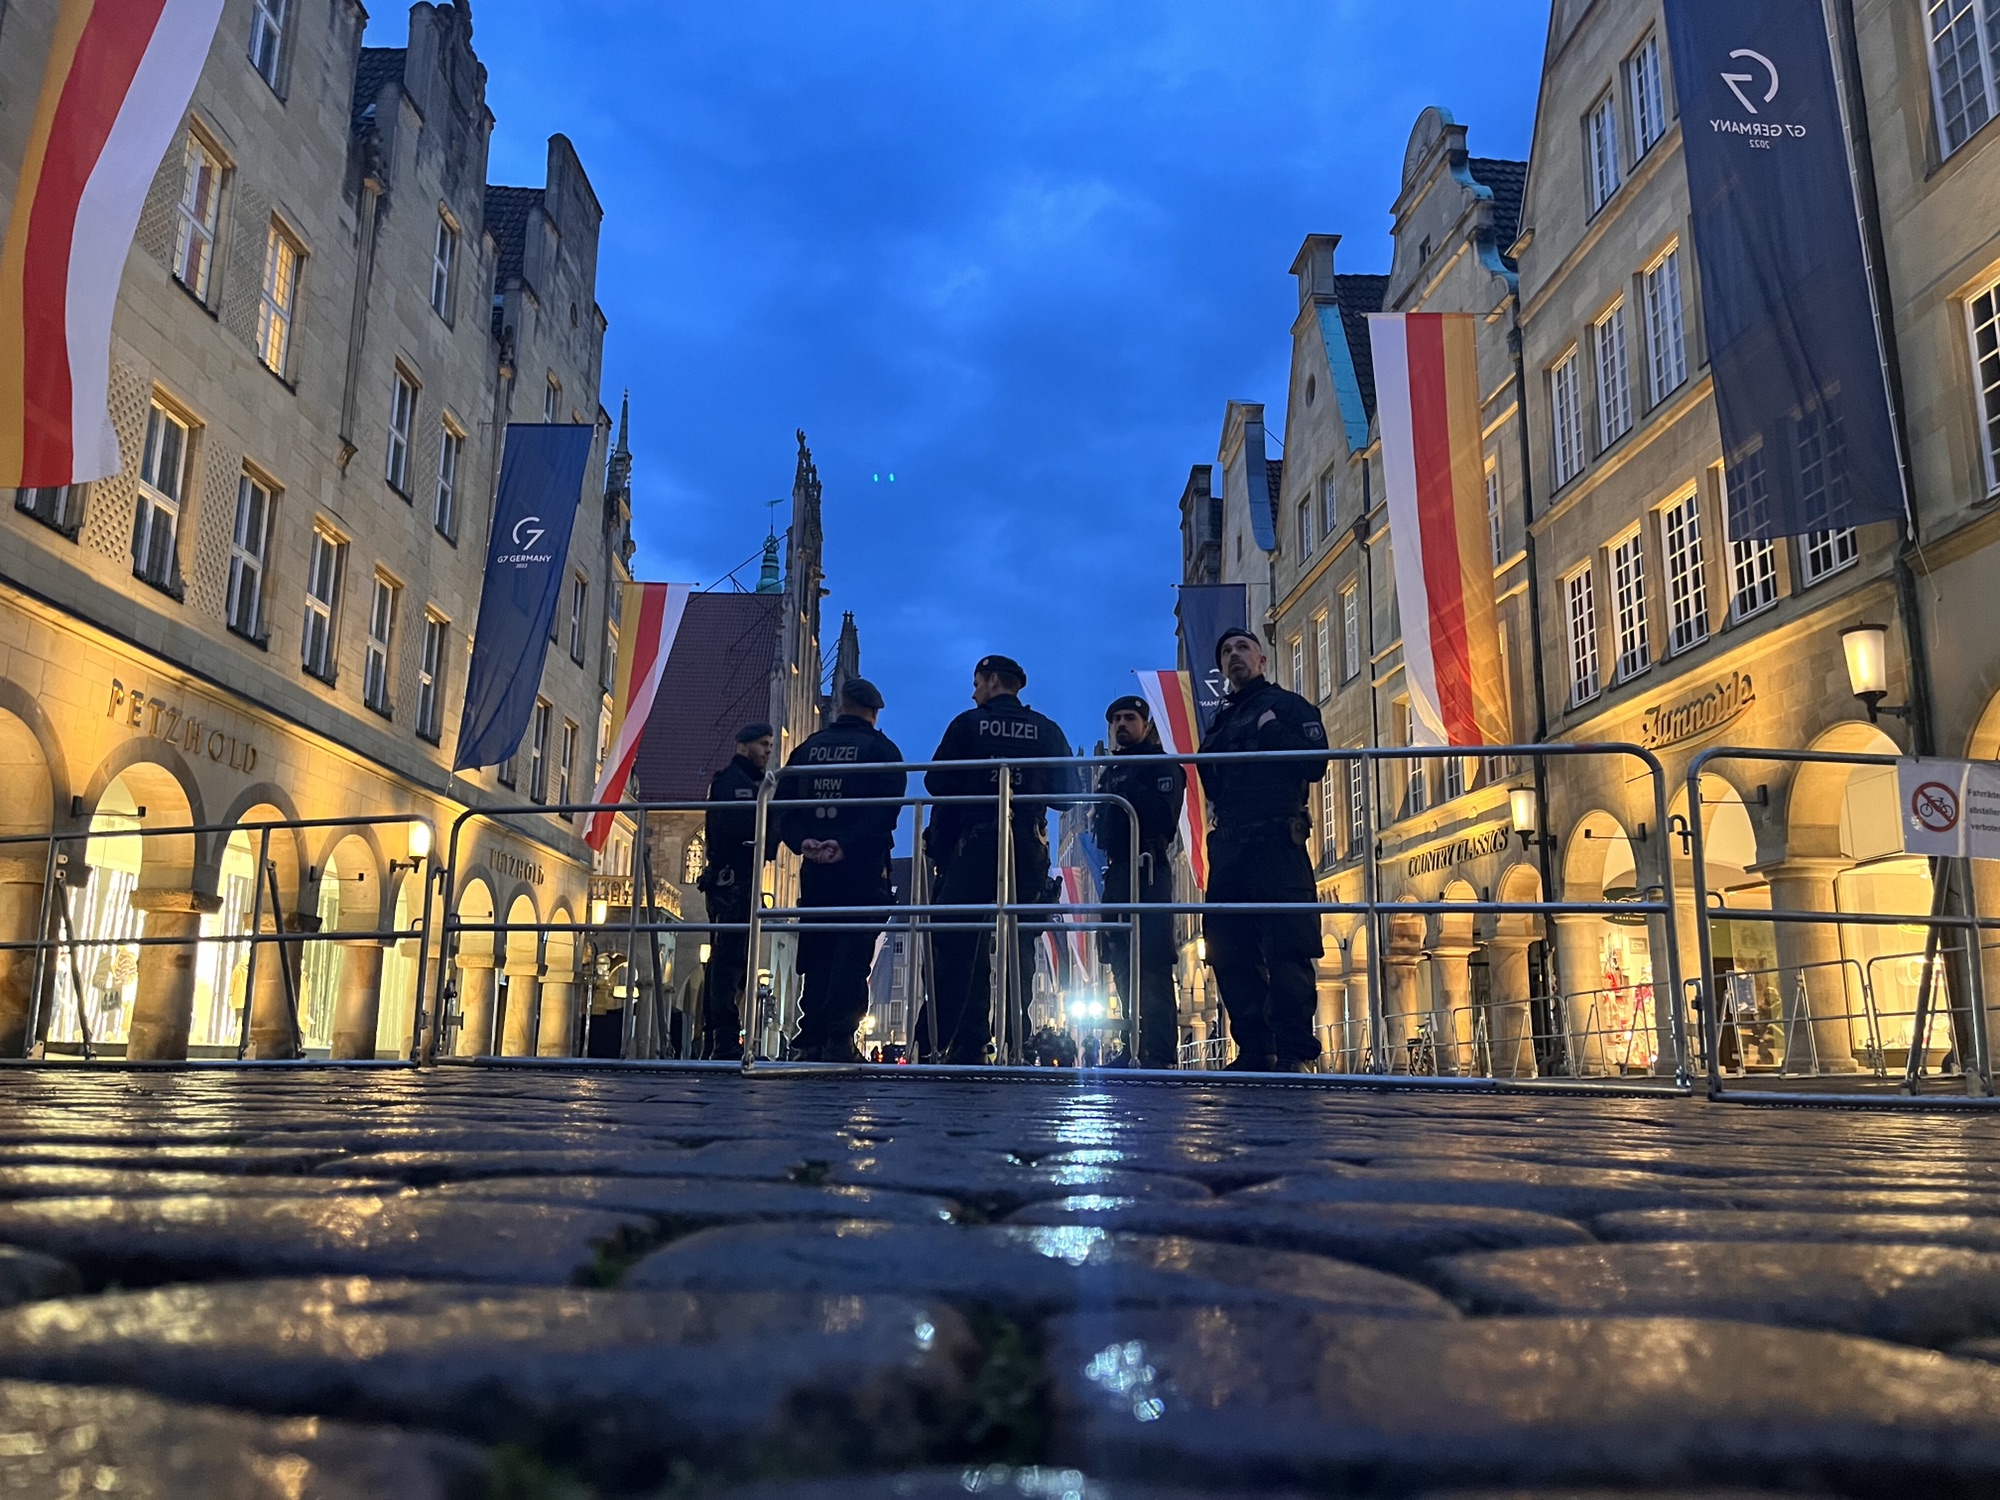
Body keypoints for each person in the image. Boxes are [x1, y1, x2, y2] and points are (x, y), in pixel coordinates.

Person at [920, 655, 1074, 1064]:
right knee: (1019, 942)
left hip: (975, 841)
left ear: (991, 682)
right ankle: (1015, 1040)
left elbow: (936, 781)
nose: (973, 692)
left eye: (976, 682)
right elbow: (1067, 795)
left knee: (961, 941)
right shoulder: (1046, 729)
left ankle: (968, 1041)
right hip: (1027, 845)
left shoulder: (967, 725)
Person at [1198, 627, 1329, 1072]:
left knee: (1288, 947)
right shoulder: (1220, 719)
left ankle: (1294, 1052)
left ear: (1262, 660)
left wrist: (1272, 731)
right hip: (1231, 843)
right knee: (1227, 949)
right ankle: (1256, 1048)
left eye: (1242, 648)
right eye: (1226, 651)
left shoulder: (1288, 706)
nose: (1234, 655)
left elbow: (1315, 762)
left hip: (1277, 838)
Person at [772, 678, 907, 1062]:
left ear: (839, 706)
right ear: (874, 712)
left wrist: (805, 843)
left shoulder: (807, 749)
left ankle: (808, 1035)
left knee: (816, 951)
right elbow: (885, 813)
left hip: (815, 870)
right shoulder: (882, 750)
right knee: (852, 950)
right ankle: (839, 1038)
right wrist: (843, 844)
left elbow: (784, 808)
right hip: (861, 869)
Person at [1094, 695, 1187, 1069]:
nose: (1121, 725)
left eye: (1129, 718)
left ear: (1146, 725)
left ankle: (1159, 1050)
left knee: (1151, 961)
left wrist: (1131, 785)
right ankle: (1133, 1044)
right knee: (1120, 959)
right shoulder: (1110, 770)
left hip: (1149, 866)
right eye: (1115, 719)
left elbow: (1163, 817)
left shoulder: (1161, 765)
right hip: (1117, 871)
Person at [696, 722, 772, 1058]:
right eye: (762, 744)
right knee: (726, 963)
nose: (768, 750)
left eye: (770, 745)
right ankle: (721, 1037)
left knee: (736, 962)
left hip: (746, 881)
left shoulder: (759, 783)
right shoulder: (731, 782)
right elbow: (731, 828)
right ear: (743, 746)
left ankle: (723, 1035)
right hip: (729, 882)